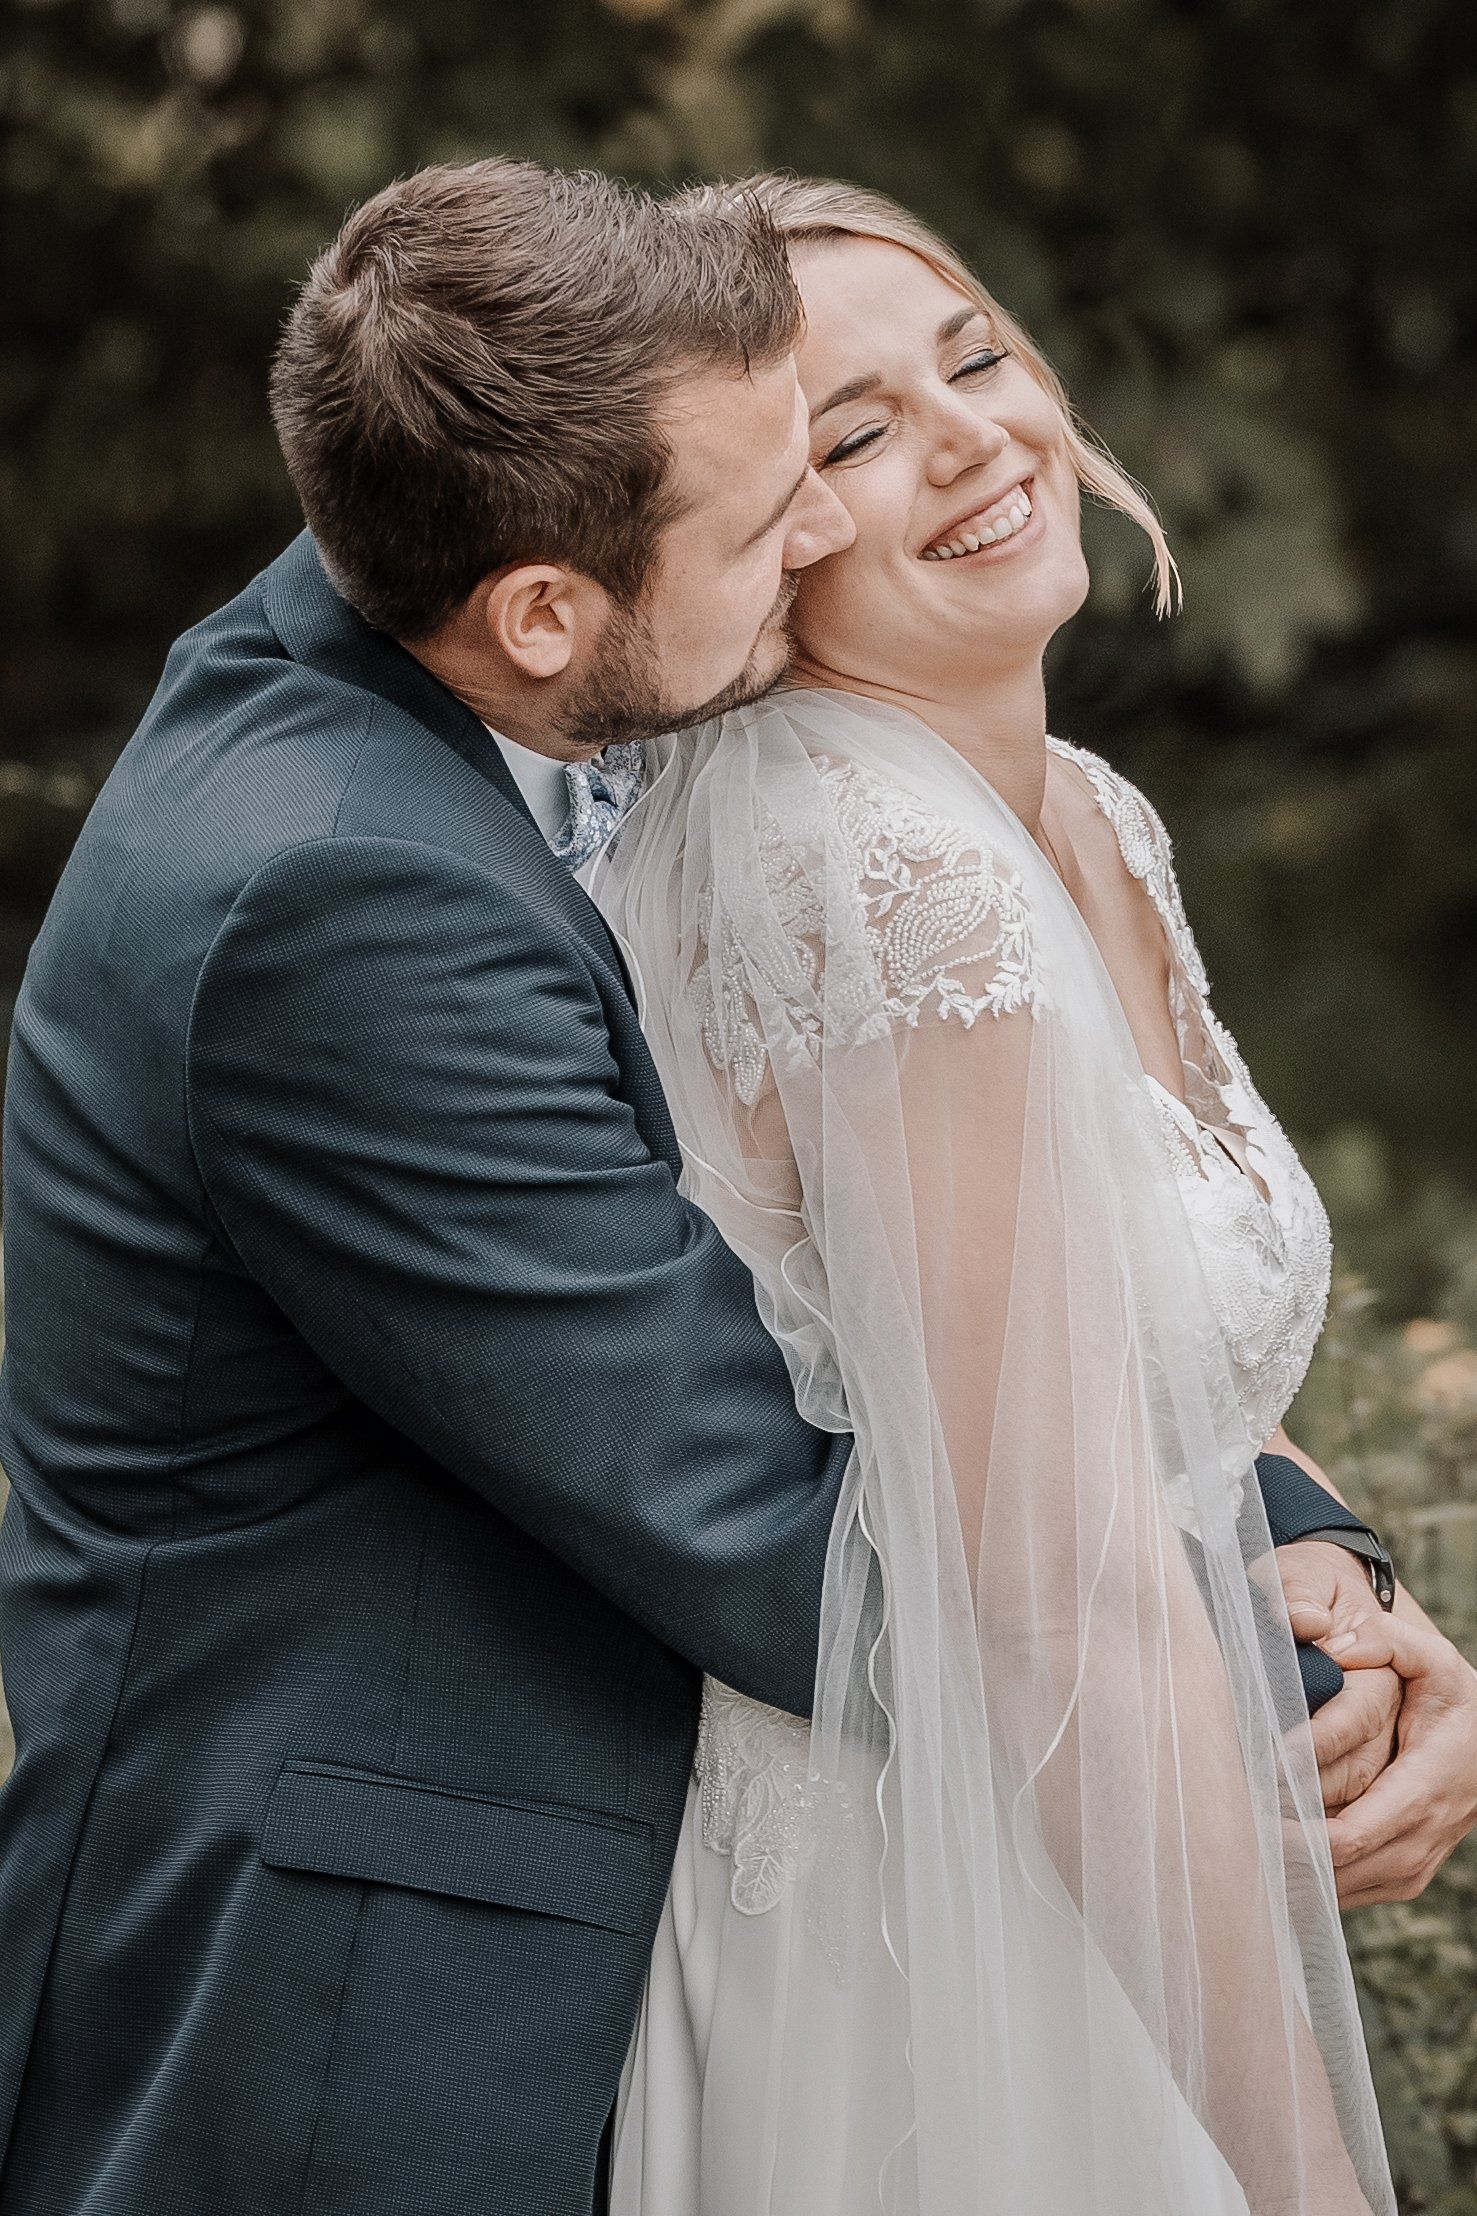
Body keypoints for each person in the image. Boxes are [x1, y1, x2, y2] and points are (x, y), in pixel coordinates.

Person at [0, 156, 1459, 2216]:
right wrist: (1278, 1696)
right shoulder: (344, 891)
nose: (824, 526)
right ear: (543, 610)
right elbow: (792, 1506)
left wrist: (1316, 1553)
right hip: (387, 1970)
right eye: (798, 482)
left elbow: (1011, 1328)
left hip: (831, 1820)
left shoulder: (491, 548)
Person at [593, 175, 1477, 2215]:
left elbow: (1113, 1361)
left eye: (972, 354)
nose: (969, 435)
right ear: (755, 544)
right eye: (852, 433)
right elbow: (1040, 1591)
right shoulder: (867, 860)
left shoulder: (1081, 811)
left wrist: (1341, 1576)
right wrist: (1306, 2184)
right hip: (925, 1944)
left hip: (1104, 1841)